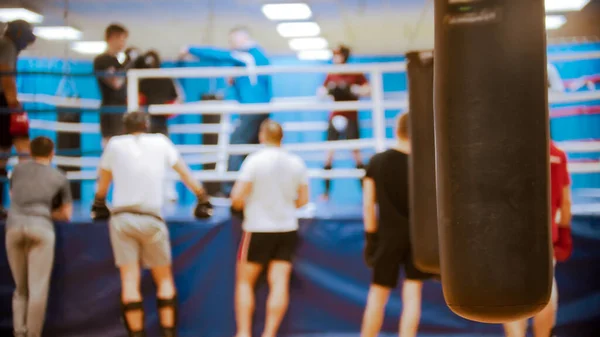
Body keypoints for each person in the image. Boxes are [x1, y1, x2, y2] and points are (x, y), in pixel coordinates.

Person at [90, 111, 213, 337]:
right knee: (164, 278)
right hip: (152, 218)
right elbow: (185, 173)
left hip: (122, 219)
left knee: (129, 280)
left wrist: (99, 202)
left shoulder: (115, 145)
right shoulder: (160, 142)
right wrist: (202, 196)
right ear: (147, 124)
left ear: (124, 126)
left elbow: (103, 183)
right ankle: (168, 333)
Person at [230, 119, 309, 337]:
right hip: (286, 228)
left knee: (245, 282)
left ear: (262, 136)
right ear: (281, 137)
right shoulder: (296, 163)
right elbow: (303, 200)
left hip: (257, 228)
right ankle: (269, 333)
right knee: (279, 283)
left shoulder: (254, 161)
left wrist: (246, 204)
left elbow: (236, 197)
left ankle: (244, 333)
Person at [360, 112, 433, 337]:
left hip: (387, 237)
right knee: (412, 295)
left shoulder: (377, 162)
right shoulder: (426, 164)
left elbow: (368, 206)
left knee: (377, 294)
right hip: (418, 238)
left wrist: (371, 238)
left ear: (396, 130)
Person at [180, 26, 272, 196]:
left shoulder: (247, 55)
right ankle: (250, 189)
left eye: (232, 41)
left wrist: (190, 49)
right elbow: (258, 83)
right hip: (260, 109)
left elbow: (219, 55)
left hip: (252, 109)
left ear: (242, 38)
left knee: (237, 146)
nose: (230, 45)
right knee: (251, 150)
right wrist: (237, 79)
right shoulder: (259, 57)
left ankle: (230, 190)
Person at [503, 141, 573, 337]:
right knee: (546, 288)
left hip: (512, 239)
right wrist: (563, 236)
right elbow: (566, 203)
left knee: (513, 294)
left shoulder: (510, 152)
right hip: (545, 238)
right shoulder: (558, 155)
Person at [6, 136, 73, 337]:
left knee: (20, 289)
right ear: (52, 153)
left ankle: (19, 332)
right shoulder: (59, 176)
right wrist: (46, 213)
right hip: (42, 228)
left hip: (14, 227)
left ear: (31, 152)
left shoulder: (17, 171)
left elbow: (12, 197)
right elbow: (66, 214)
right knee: (38, 290)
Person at [316, 44, 371, 201]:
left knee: (356, 155)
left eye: (338, 54)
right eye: (334, 55)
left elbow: (368, 89)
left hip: (351, 117)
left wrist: (352, 89)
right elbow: (320, 92)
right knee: (329, 155)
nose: (335, 57)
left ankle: (366, 192)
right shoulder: (331, 73)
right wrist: (330, 90)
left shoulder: (354, 72)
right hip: (335, 116)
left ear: (344, 56)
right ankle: (326, 193)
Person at [0, 20, 36, 219]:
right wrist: (14, 103)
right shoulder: (7, 45)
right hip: (4, 102)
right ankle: (28, 201)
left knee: (5, 154)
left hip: (5, 102)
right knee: (21, 150)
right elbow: (6, 74)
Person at [93, 24, 131, 147]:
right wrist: (128, 65)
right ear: (111, 38)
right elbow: (116, 83)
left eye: (124, 38)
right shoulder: (102, 60)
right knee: (111, 147)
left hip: (123, 109)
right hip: (110, 110)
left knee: (125, 146)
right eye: (120, 38)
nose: (123, 42)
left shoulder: (118, 61)